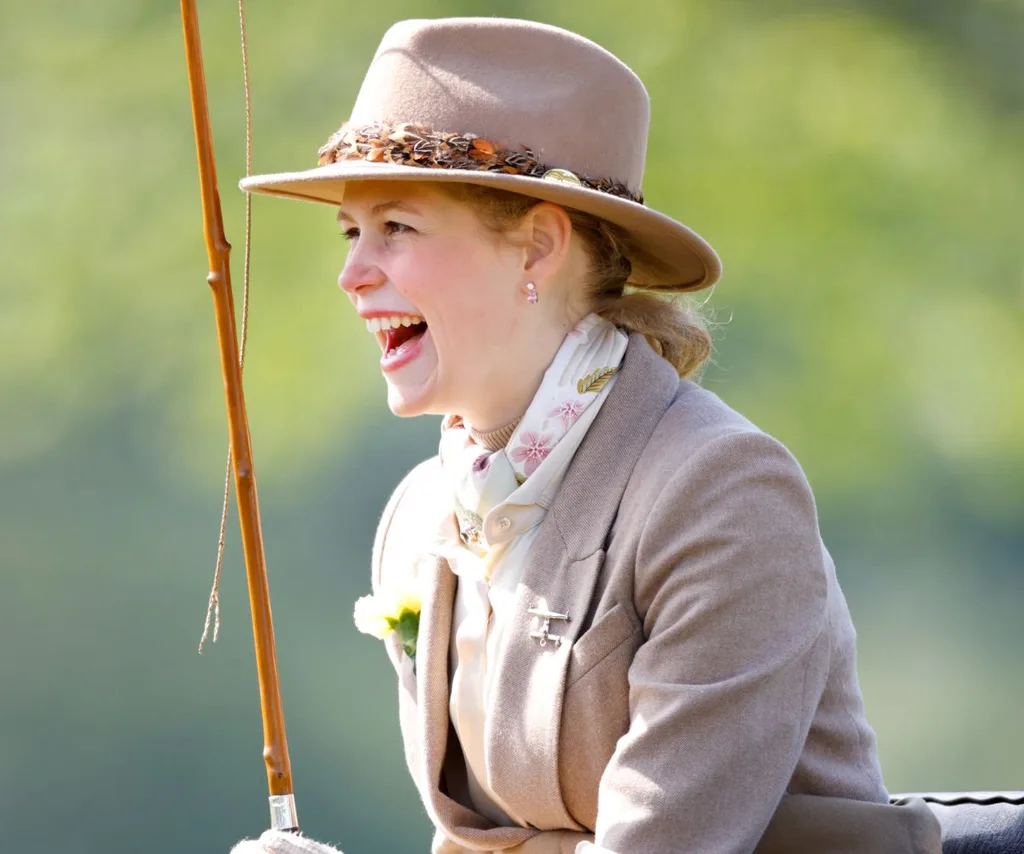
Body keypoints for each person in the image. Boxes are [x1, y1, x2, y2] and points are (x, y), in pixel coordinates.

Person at [231, 16, 942, 854]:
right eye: (352, 233)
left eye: (397, 228)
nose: (351, 274)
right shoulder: (419, 514)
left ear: (537, 246)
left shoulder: (722, 491)